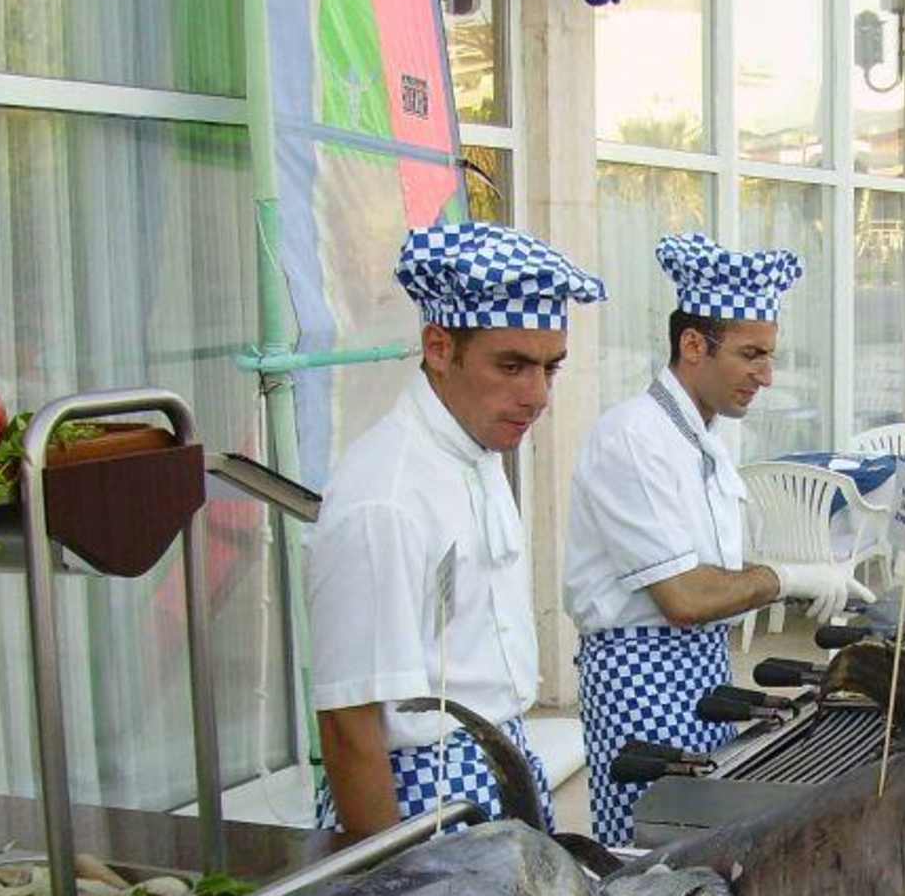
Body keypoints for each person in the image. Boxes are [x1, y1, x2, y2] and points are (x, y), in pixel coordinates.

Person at [563, 233, 873, 846]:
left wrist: (793, 576)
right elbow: (684, 597)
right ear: (693, 345)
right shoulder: (635, 438)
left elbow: (710, 569)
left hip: (701, 666)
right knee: (653, 853)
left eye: (770, 355)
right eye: (751, 354)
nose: (767, 375)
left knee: (710, 841)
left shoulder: (701, 439)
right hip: (642, 677)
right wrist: (787, 579)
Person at [309, 221, 606, 836]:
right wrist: (394, 878)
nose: (537, 396)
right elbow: (348, 728)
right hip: (421, 796)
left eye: (551, 368)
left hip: (499, 765)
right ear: (440, 347)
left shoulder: (476, 450)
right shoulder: (385, 497)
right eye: (512, 365)